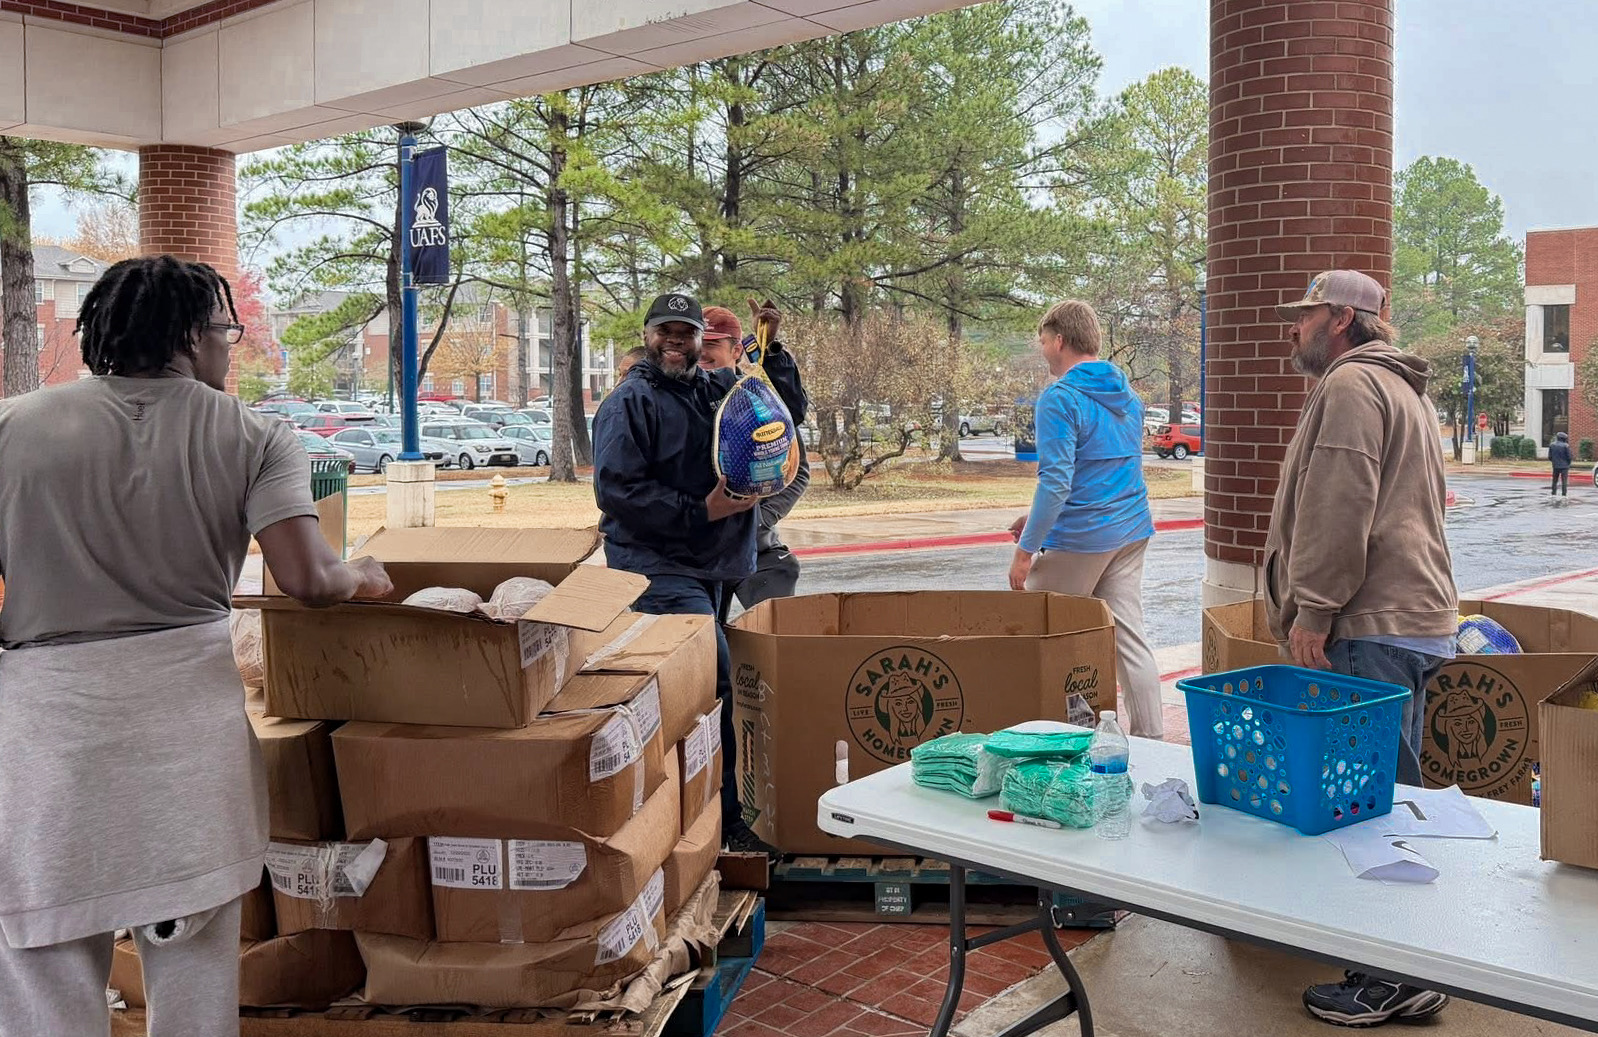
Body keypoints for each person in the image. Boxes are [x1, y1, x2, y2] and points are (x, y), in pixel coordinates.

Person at [0, 255, 392, 1037]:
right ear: (188, 334)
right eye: (226, 331)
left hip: (46, 731)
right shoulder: (252, 435)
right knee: (192, 967)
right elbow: (308, 579)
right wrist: (364, 575)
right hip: (186, 731)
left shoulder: (11, 426)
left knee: (43, 955)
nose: (231, 348)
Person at [1269, 269, 1457, 1028]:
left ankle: (1390, 976)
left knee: (1364, 808)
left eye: (1306, 313)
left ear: (1342, 318)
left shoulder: (1352, 387)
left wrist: (1313, 608)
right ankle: (1405, 962)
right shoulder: (1404, 388)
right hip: (1411, 619)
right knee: (1389, 797)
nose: (1294, 326)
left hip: (1371, 624)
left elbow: (1340, 505)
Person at [592, 291, 804, 853]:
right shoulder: (629, 403)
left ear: (698, 341)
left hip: (710, 567)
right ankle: (727, 824)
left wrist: (770, 346)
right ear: (647, 334)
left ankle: (696, 811)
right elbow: (618, 493)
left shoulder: (710, 389)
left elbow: (778, 413)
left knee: (698, 693)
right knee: (717, 681)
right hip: (657, 568)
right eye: (665, 330)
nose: (675, 341)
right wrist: (700, 511)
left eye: (685, 333)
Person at [1007, 300, 1162, 738]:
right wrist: (1036, 519)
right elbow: (1101, 471)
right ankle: (1153, 741)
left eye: (1042, 341)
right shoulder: (1127, 397)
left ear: (1059, 340)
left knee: (1030, 630)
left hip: (1085, 537)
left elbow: (1057, 483)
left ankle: (1034, 736)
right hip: (1131, 528)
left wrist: (1025, 552)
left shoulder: (1060, 398)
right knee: (1129, 639)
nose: (1042, 350)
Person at [697, 300, 810, 610]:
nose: (703, 351)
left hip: (755, 548)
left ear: (736, 350)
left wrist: (756, 520)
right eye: (699, 342)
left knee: (773, 636)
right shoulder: (682, 399)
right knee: (708, 639)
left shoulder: (757, 402)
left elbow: (796, 472)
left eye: (713, 343)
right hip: (697, 552)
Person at [1550, 431, 1572, 496]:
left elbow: (1550, 457)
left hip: (1555, 466)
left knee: (1554, 481)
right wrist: (1568, 463)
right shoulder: (1566, 446)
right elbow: (1569, 457)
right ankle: (1564, 494)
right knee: (1564, 481)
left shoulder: (1552, 445)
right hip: (1564, 466)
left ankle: (1553, 493)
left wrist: (1554, 461)